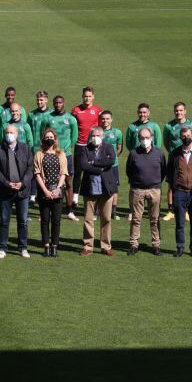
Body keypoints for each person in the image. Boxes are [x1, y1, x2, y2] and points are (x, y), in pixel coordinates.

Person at [0, 124, 33, 259]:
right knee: (4, 220)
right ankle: (2, 247)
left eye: (12, 132)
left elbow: (30, 168)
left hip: (22, 191)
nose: (9, 135)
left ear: (17, 134)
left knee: (23, 221)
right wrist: (7, 183)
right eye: (7, 132)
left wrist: (22, 183)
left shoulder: (26, 148)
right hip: (5, 191)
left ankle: (23, 247)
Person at [166, 126, 192, 257]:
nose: (186, 138)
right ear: (180, 137)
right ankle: (180, 248)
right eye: (184, 136)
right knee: (180, 223)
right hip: (179, 193)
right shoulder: (174, 154)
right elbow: (169, 172)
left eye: (188, 136)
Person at [126, 128, 167, 256]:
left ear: (152, 138)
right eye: (142, 138)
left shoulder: (159, 154)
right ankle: (134, 244)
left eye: (147, 137)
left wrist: (155, 183)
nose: (145, 140)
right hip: (137, 190)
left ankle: (156, 245)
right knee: (136, 219)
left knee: (154, 219)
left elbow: (163, 171)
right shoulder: (133, 153)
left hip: (155, 190)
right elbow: (129, 171)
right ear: (139, 139)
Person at [78, 126, 118, 257]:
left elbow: (110, 161)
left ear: (102, 137)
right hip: (90, 189)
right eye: (93, 136)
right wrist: (99, 168)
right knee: (88, 219)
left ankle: (106, 246)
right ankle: (88, 246)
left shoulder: (108, 148)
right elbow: (83, 165)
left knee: (106, 218)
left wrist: (93, 162)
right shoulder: (85, 149)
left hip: (106, 190)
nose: (95, 138)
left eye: (97, 136)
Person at [33, 128, 67, 258]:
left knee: (56, 220)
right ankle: (46, 246)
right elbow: (37, 174)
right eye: (47, 137)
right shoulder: (39, 154)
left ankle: (55, 246)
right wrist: (46, 191)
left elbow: (64, 172)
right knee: (45, 220)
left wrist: (58, 188)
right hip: (44, 192)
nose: (49, 139)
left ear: (55, 139)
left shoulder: (61, 154)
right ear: (43, 139)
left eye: (51, 137)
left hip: (57, 191)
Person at [71, 87, 104, 216]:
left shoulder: (97, 110)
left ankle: (94, 202)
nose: (87, 98)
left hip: (93, 145)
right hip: (80, 145)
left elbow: (102, 126)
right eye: (85, 96)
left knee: (92, 172)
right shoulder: (75, 110)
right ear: (82, 96)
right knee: (78, 171)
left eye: (89, 96)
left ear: (93, 97)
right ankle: (74, 199)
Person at [162, 102, 192, 221]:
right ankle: (171, 210)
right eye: (177, 110)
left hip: (187, 159)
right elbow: (166, 142)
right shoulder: (168, 126)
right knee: (171, 184)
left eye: (181, 110)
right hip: (174, 159)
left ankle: (186, 210)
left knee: (187, 184)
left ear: (185, 111)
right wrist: (173, 154)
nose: (179, 112)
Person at [46, 96, 79, 220]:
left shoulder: (71, 119)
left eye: (60, 102)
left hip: (66, 155)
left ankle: (69, 209)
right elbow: (44, 134)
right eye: (56, 103)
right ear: (53, 104)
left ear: (64, 103)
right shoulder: (49, 118)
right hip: (52, 154)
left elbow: (74, 137)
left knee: (67, 182)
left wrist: (66, 149)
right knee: (51, 181)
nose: (58, 104)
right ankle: (51, 209)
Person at [99, 111, 124, 219]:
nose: (105, 121)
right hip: (99, 165)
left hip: (113, 165)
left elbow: (119, 148)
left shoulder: (117, 132)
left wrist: (112, 158)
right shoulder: (97, 131)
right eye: (103, 119)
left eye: (107, 118)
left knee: (114, 188)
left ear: (111, 119)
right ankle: (98, 210)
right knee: (99, 186)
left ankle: (113, 211)